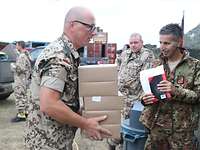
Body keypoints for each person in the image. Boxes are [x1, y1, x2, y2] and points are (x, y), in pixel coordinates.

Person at [25, 6, 111, 150]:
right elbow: (49, 104)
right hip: (47, 143)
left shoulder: (69, 54)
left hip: (56, 139)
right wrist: (85, 123)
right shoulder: (59, 56)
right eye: (90, 27)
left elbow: (64, 98)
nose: (93, 33)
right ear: (72, 25)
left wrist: (80, 112)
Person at [140, 23, 200, 150]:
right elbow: (145, 90)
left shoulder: (195, 66)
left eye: (167, 43)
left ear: (179, 42)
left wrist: (175, 90)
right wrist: (144, 99)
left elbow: (197, 96)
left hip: (181, 131)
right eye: (160, 42)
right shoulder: (156, 64)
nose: (162, 47)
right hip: (157, 127)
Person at [108, 33, 155, 150]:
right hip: (121, 98)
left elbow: (145, 77)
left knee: (129, 131)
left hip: (135, 101)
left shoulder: (147, 55)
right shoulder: (125, 54)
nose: (133, 45)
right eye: (131, 43)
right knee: (115, 129)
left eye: (136, 43)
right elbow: (117, 69)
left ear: (141, 42)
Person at [11, 41, 31, 122]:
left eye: (16, 45)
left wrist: (13, 66)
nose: (16, 47)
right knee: (24, 96)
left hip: (20, 80)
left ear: (20, 46)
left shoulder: (22, 56)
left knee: (19, 96)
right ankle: (25, 113)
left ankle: (21, 115)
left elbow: (20, 69)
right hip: (24, 80)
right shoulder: (26, 55)